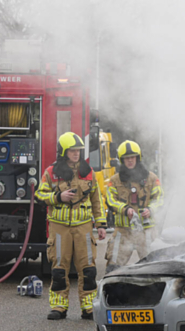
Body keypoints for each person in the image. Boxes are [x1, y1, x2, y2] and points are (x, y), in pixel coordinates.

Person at [35, 132, 107, 320]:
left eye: (78, 150)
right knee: (59, 269)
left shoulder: (88, 172)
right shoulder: (51, 172)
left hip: (83, 227)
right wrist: (58, 197)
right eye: (72, 151)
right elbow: (40, 196)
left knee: (88, 270)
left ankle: (89, 307)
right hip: (59, 229)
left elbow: (96, 200)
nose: (76, 154)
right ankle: (59, 307)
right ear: (63, 152)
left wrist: (100, 224)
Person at [105, 140, 164, 271]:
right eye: (126, 158)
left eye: (132, 157)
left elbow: (159, 198)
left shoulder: (152, 178)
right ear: (122, 160)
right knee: (113, 267)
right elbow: (110, 200)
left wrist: (150, 210)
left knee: (153, 267)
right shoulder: (114, 180)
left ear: (138, 158)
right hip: (123, 231)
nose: (130, 160)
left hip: (146, 231)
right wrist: (125, 210)